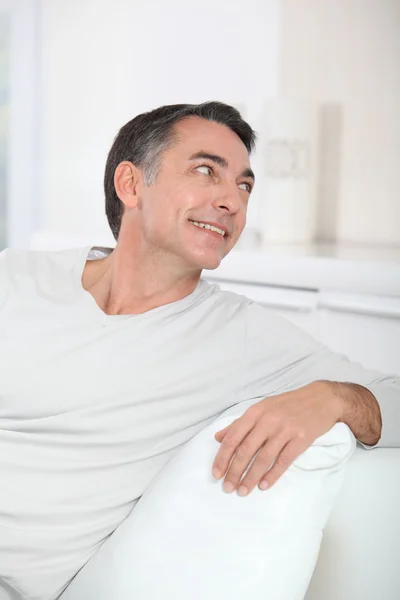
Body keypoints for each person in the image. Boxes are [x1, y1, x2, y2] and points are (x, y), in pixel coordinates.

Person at [0, 101, 399, 600]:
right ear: (131, 185)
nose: (232, 200)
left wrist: (336, 397)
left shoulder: (242, 335)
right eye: (206, 171)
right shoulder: (15, 278)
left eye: (244, 186)